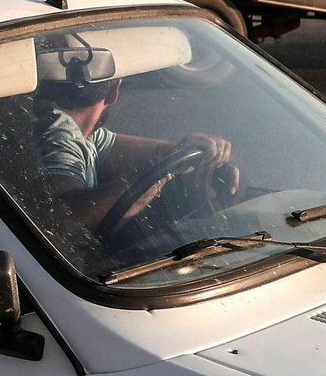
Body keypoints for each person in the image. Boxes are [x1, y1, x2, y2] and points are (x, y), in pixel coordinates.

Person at [34, 38, 238, 232]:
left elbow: (153, 153)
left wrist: (192, 154)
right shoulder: (59, 128)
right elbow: (68, 220)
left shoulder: (87, 135)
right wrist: (162, 173)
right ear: (115, 91)